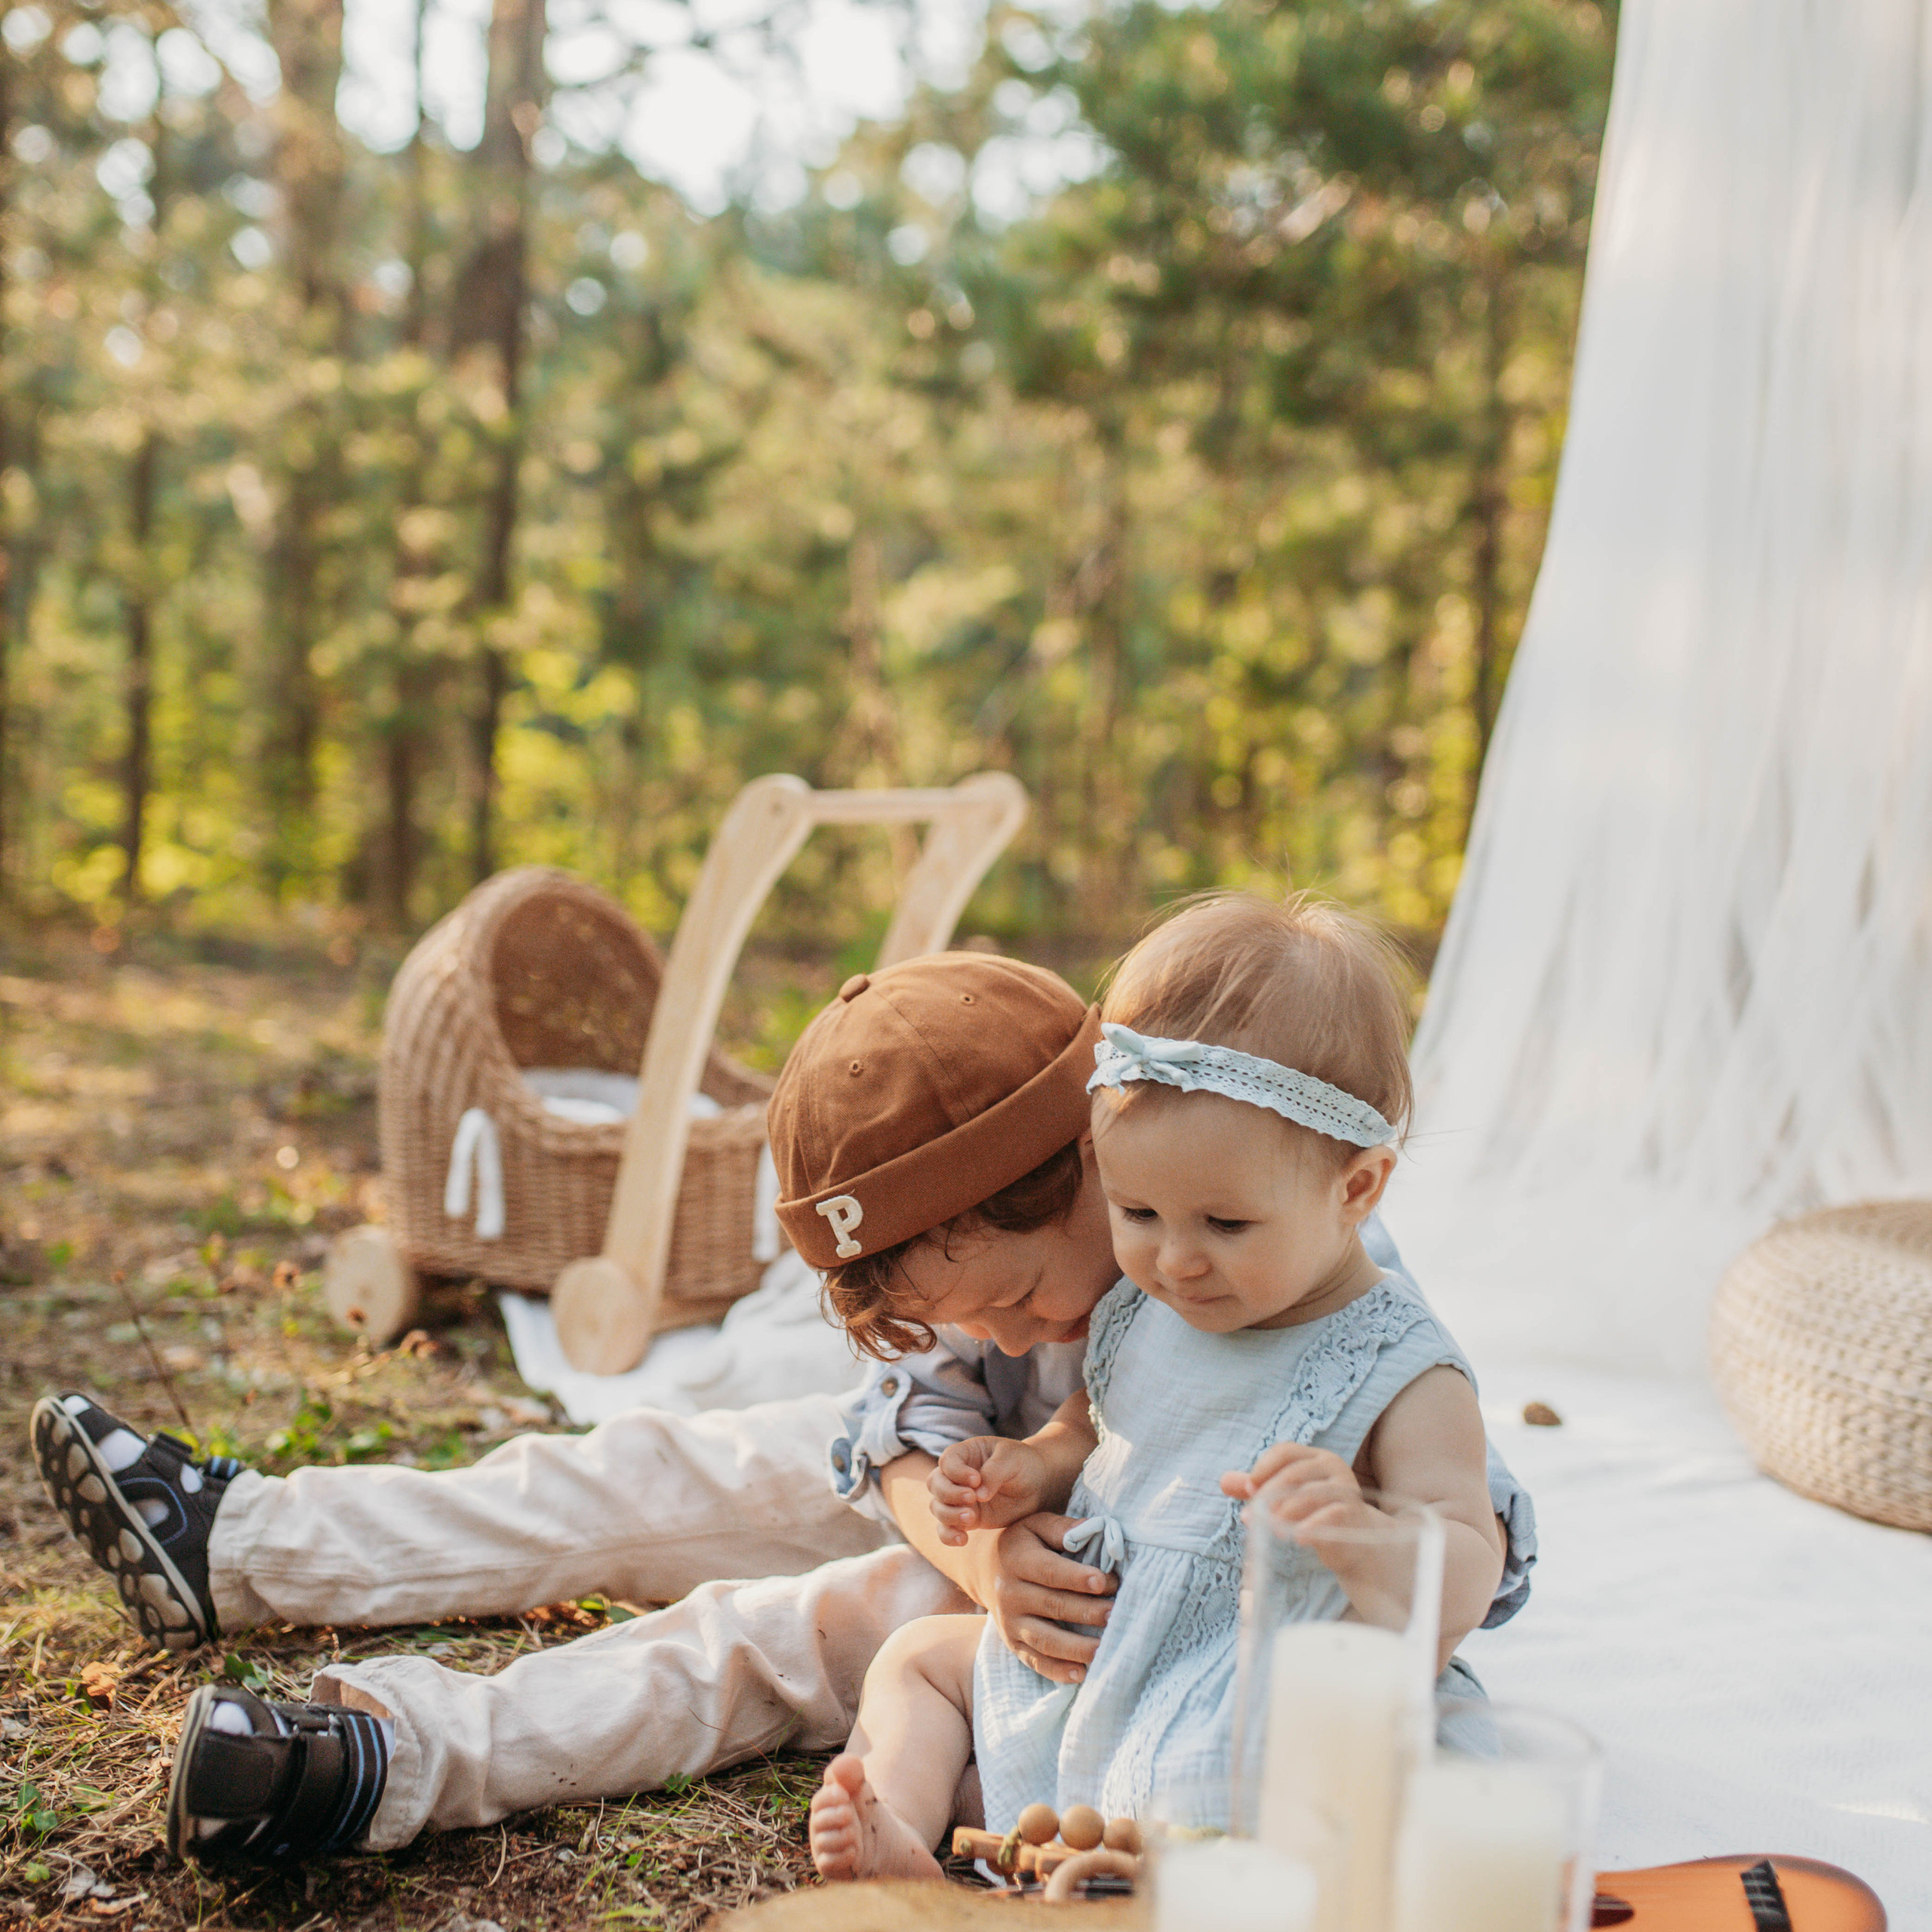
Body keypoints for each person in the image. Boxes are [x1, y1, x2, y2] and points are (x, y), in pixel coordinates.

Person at [29, 949, 1533, 1863]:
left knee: (760, 1633)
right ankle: (240, 1537)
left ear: (1089, 1147)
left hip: (1131, 1601)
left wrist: (1004, 1555)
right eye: (974, 1318)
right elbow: (894, 1424)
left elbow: (1449, 1501)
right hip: (1001, 1529)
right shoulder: (1015, 1283)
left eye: (1021, 1299)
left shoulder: (1243, 1236)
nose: (1024, 1324)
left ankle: (386, 1758)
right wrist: (981, 1540)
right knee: (656, 1468)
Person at [809, 894, 1503, 1881]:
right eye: (1137, 1211)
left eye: (1224, 1225)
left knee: (1221, 1786)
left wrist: (1363, 1532)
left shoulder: (1400, 1363)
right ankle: (898, 1832)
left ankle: (1133, 1877)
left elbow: (1467, 1560)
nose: (1176, 1262)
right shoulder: (1142, 1309)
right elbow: (1092, 1432)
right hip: (1106, 1647)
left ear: (1355, 1190)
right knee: (920, 1660)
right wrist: (1027, 1472)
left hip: (1250, 1679)